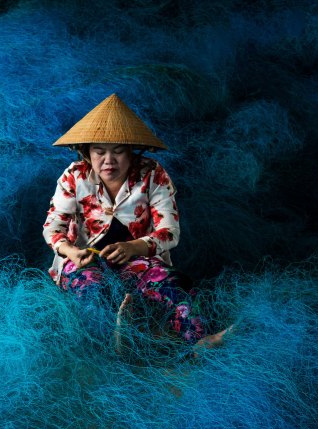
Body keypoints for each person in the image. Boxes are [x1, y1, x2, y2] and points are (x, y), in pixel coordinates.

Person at [42, 94, 229, 349]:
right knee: (92, 292)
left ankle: (199, 342)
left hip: (137, 259)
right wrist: (72, 252)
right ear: (86, 153)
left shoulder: (153, 174)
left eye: (119, 152)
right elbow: (53, 228)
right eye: (99, 152)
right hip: (82, 260)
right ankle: (115, 345)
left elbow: (169, 232)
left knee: (172, 286)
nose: (109, 160)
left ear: (132, 152)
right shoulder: (74, 176)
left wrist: (133, 248)